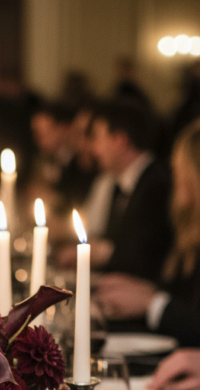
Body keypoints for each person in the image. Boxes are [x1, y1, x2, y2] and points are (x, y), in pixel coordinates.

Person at [95, 119, 200, 346]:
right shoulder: (189, 226)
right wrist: (146, 290)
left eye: (179, 168)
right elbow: (182, 295)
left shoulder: (156, 187)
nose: (174, 174)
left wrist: (152, 303)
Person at [58, 100, 172, 280]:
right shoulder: (118, 182)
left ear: (120, 140)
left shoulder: (158, 185)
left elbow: (146, 257)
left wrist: (102, 253)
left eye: (97, 137)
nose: (92, 147)